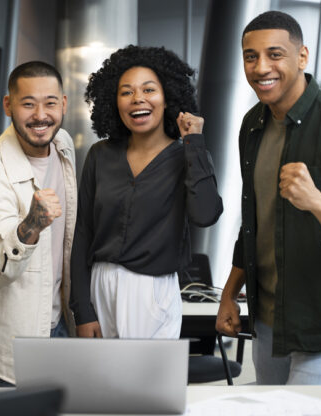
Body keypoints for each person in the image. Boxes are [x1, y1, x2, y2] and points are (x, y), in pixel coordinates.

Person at [215, 11, 321, 385]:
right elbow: (254, 225)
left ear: (302, 57)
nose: (261, 68)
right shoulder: (252, 124)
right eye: (250, 56)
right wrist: (229, 293)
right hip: (269, 318)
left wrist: (317, 201)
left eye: (275, 54)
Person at [70, 45, 223, 340]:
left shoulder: (188, 155)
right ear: (114, 102)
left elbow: (205, 215)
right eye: (126, 92)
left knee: (146, 386)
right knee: (99, 386)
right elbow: (82, 234)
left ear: (167, 98)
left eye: (149, 89)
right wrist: (82, 310)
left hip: (152, 290)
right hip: (99, 286)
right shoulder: (100, 155)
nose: (137, 98)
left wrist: (194, 143)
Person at [0, 61, 77, 385]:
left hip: (59, 322)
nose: (41, 115)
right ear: (9, 105)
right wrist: (32, 226)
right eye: (28, 104)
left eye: (50, 103)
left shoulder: (62, 144)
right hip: (13, 339)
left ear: (63, 103)